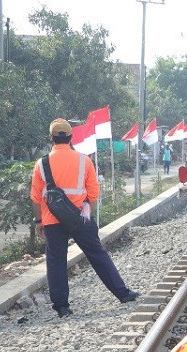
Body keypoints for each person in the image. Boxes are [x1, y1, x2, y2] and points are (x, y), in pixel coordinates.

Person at [30, 119, 139, 318]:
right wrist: (89, 216)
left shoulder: (41, 164)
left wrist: (39, 222)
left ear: (50, 138)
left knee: (56, 261)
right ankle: (122, 294)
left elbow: (36, 198)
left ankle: (62, 307)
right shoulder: (84, 160)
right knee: (97, 254)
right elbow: (94, 192)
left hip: (52, 220)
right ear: (71, 138)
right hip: (81, 218)